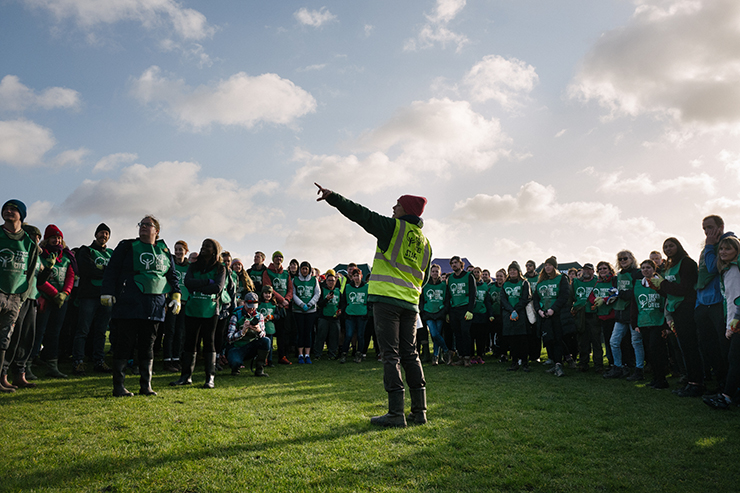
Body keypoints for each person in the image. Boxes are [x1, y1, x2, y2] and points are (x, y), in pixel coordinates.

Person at [316, 183, 432, 428]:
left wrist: (333, 197)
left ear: (406, 210)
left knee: (390, 355)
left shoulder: (393, 228)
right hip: (411, 304)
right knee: (410, 354)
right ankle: (419, 411)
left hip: (387, 301)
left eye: (397, 204)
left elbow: (362, 214)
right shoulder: (426, 243)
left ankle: (395, 413)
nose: (393, 207)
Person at [101, 216, 180, 397]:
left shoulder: (165, 250)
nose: (143, 227)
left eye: (148, 225)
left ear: (156, 231)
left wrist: (176, 294)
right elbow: (112, 269)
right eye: (141, 224)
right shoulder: (126, 246)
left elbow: (172, 276)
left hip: (155, 305)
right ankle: (119, 387)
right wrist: (107, 291)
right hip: (129, 301)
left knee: (148, 345)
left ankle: (146, 385)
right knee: (124, 344)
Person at [649, 237, 703, 397]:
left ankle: (697, 383)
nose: (668, 249)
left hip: (686, 307)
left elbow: (685, 288)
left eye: (671, 245)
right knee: (684, 347)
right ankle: (690, 381)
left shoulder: (687, 263)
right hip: (675, 309)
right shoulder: (668, 266)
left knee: (691, 347)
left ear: (678, 246)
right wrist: (657, 287)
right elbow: (668, 291)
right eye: (665, 246)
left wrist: (662, 284)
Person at [171, 239, 227, 389]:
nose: (203, 248)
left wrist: (199, 285)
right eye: (202, 245)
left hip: (210, 309)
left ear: (215, 250)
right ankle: (186, 376)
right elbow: (188, 283)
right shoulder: (193, 266)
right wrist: (207, 281)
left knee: (209, 341)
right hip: (192, 308)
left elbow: (217, 288)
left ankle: (210, 378)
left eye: (207, 246)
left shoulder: (220, 268)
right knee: (190, 341)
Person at [0, 200, 39, 393]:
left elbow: (31, 272)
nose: (8, 211)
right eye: (5, 209)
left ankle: (1, 379)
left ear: (21, 216)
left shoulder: (29, 243)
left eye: (13, 209)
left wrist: (22, 295)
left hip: (16, 296)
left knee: (4, 339)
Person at [694, 215, 734, 396]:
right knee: (708, 346)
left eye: (710, 227)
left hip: (719, 303)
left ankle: (729, 385)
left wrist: (710, 244)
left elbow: (712, 268)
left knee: (722, 346)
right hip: (703, 303)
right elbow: (701, 273)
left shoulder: (728, 245)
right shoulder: (706, 248)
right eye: (704, 229)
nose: (706, 232)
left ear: (720, 227)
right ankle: (719, 382)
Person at [33, 224, 76, 379]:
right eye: (53, 237)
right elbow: (38, 278)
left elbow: (70, 277)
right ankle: (28, 364)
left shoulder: (66, 257)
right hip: (44, 299)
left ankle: (52, 365)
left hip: (61, 301)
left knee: (55, 333)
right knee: (38, 331)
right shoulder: (40, 256)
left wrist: (65, 293)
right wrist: (54, 293)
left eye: (59, 237)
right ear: (47, 239)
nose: (56, 240)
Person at [72, 223, 113, 376]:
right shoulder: (85, 250)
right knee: (83, 330)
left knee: (101, 331)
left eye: (107, 234)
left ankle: (99, 361)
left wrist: (103, 271)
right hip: (88, 295)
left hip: (106, 296)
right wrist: (105, 271)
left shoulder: (111, 253)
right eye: (102, 233)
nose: (104, 236)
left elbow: (115, 271)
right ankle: (78, 361)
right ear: (96, 235)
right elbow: (86, 269)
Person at [704, 236, 740, 409]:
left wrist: (730, 326)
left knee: (734, 359)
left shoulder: (733, 270)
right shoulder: (729, 269)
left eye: (728, 249)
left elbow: (735, 300)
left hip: (737, 321)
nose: (723, 252)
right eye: (721, 249)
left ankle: (726, 397)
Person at [603, 250, 645, 381]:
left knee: (636, 342)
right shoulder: (618, 276)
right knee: (613, 342)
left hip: (633, 313)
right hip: (620, 313)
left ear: (631, 259)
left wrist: (620, 293)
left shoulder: (637, 273)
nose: (622, 261)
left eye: (625, 258)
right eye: (620, 259)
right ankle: (618, 367)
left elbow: (636, 292)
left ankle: (639, 369)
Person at [632, 259, 671, 389]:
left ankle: (662, 379)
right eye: (643, 268)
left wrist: (667, 325)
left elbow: (667, 302)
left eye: (648, 267)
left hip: (658, 322)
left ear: (654, 269)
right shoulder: (638, 284)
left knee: (657, 351)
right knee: (649, 352)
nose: (645, 270)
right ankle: (655, 378)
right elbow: (635, 305)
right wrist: (635, 323)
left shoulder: (661, 283)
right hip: (644, 322)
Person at [533, 257, 570, 377]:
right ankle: (554, 363)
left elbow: (564, 295)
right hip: (544, 315)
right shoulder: (540, 282)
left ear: (554, 267)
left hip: (557, 314)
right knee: (548, 340)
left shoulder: (561, 279)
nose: (547, 267)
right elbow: (536, 298)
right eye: (546, 265)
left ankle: (559, 364)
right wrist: (539, 310)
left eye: (550, 265)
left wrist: (553, 309)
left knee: (558, 339)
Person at [226, 292, 270, 377]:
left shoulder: (259, 316)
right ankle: (235, 368)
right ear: (244, 303)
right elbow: (229, 338)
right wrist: (242, 331)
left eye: (254, 307)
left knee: (266, 341)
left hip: (251, 346)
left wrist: (259, 331)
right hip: (237, 347)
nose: (251, 310)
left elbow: (263, 336)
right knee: (235, 362)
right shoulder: (236, 316)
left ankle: (259, 369)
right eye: (249, 307)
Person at [162, 240, 189, 372]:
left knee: (180, 332)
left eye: (180, 249)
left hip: (184, 303)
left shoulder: (189, 267)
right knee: (170, 331)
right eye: (176, 249)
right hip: (172, 302)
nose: (178, 252)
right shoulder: (170, 264)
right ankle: (167, 359)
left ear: (186, 251)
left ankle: (177, 359)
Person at [500, 261, 532, 372]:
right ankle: (514, 362)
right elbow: (503, 300)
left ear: (519, 272)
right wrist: (511, 310)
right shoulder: (505, 284)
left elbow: (525, 298)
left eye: (514, 270)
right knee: (512, 340)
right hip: (509, 315)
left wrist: (516, 310)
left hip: (521, 314)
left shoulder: (524, 283)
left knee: (522, 340)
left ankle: (524, 362)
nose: (512, 272)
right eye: (510, 270)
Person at [262, 251, 293, 365]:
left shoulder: (286, 273)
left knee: (283, 333)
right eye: (276, 257)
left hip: (284, 307)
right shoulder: (267, 272)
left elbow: (290, 289)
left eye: (280, 257)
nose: (278, 259)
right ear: (273, 258)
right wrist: (281, 300)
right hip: (271, 306)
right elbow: (268, 287)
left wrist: (287, 300)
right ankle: (265, 357)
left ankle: (282, 356)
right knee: (267, 332)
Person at [446, 256, 476, 367]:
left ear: (461, 264)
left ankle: (468, 357)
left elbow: (473, 294)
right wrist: (448, 312)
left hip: (465, 308)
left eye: (456, 263)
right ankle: (461, 357)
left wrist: (470, 310)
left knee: (465, 332)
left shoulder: (469, 276)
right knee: (457, 334)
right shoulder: (450, 278)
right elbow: (448, 296)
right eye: (452, 263)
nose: (454, 265)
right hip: (454, 309)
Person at [571, 263, 601, 372]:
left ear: (593, 271)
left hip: (593, 314)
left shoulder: (597, 281)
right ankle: (583, 363)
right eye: (585, 270)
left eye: (589, 270)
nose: (587, 272)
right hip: (580, 314)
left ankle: (598, 364)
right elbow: (572, 296)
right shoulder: (576, 282)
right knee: (582, 340)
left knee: (596, 341)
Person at [339, 268, 369, 364]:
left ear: (361, 276)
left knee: (360, 335)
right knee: (348, 335)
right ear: (352, 277)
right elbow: (343, 300)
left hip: (362, 314)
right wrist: (344, 312)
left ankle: (359, 354)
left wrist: (367, 311)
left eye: (358, 275)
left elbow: (369, 300)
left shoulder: (366, 287)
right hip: (350, 314)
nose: (356, 278)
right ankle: (344, 353)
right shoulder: (348, 287)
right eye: (354, 276)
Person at [292, 260, 320, 364]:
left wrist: (309, 304)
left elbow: (317, 293)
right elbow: (293, 294)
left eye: (306, 269)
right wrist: (301, 304)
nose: (304, 270)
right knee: (300, 332)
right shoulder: (295, 280)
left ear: (309, 270)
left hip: (311, 310)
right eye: (303, 269)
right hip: (298, 310)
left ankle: (307, 354)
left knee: (308, 332)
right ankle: (300, 354)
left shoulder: (314, 280)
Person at [419, 264, 448, 366]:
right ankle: (446, 349)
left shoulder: (444, 285)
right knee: (434, 334)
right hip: (428, 312)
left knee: (437, 335)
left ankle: (435, 357)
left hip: (440, 312)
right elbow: (421, 299)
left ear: (439, 273)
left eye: (437, 271)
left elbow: (446, 299)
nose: (435, 273)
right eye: (433, 271)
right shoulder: (425, 284)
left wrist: (444, 310)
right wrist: (423, 310)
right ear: (430, 273)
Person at [315, 270, 341, 360]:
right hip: (323, 317)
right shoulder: (322, 290)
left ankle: (332, 354)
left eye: (333, 280)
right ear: (326, 281)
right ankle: (317, 354)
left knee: (334, 337)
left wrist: (340, 310)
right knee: (321, 336)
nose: (331, 282)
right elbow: (319, 304)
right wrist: (326, 299)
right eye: (329, 280)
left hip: (335, 317)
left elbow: (342, 303)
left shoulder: (338, 291)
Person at [257, 285, 280, 366]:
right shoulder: (259, 304)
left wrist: (272, 317)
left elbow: (278, 316)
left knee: (269, 346)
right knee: (260, 345)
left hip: (270, 328)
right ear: (262, 294)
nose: (268, 295)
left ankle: (269, 360)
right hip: (260, 328)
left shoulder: (273, 304)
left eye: (269, 293)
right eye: (266, 293)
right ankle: (261, 360)